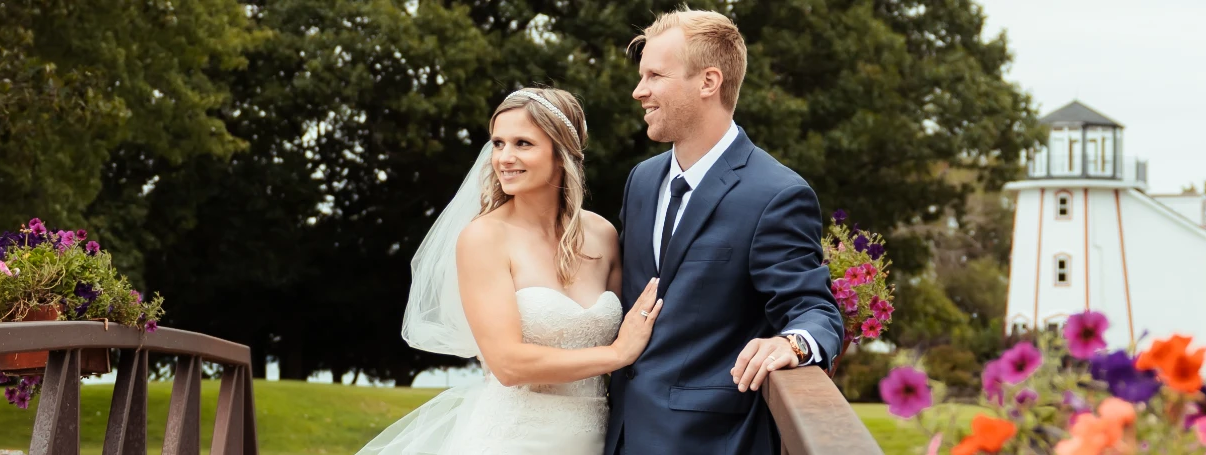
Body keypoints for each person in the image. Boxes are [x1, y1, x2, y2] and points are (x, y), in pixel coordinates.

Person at [358, 87, 659, 455]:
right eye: (498, 143)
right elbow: (508, 364)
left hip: (595, 440)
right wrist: (616, 355)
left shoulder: (603, 234)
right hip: (513, 440)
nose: (504, 157)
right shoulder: (483, 238)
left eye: (522, 143)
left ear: (560, 152)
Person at [607, 7, 843, 454]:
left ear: (708, 82)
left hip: (709, 442)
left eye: (655, 75)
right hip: (620, 434)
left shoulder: (776, 194)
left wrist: (792, 343)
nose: (640, 91)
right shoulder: (640, 181)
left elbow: (815, 309)